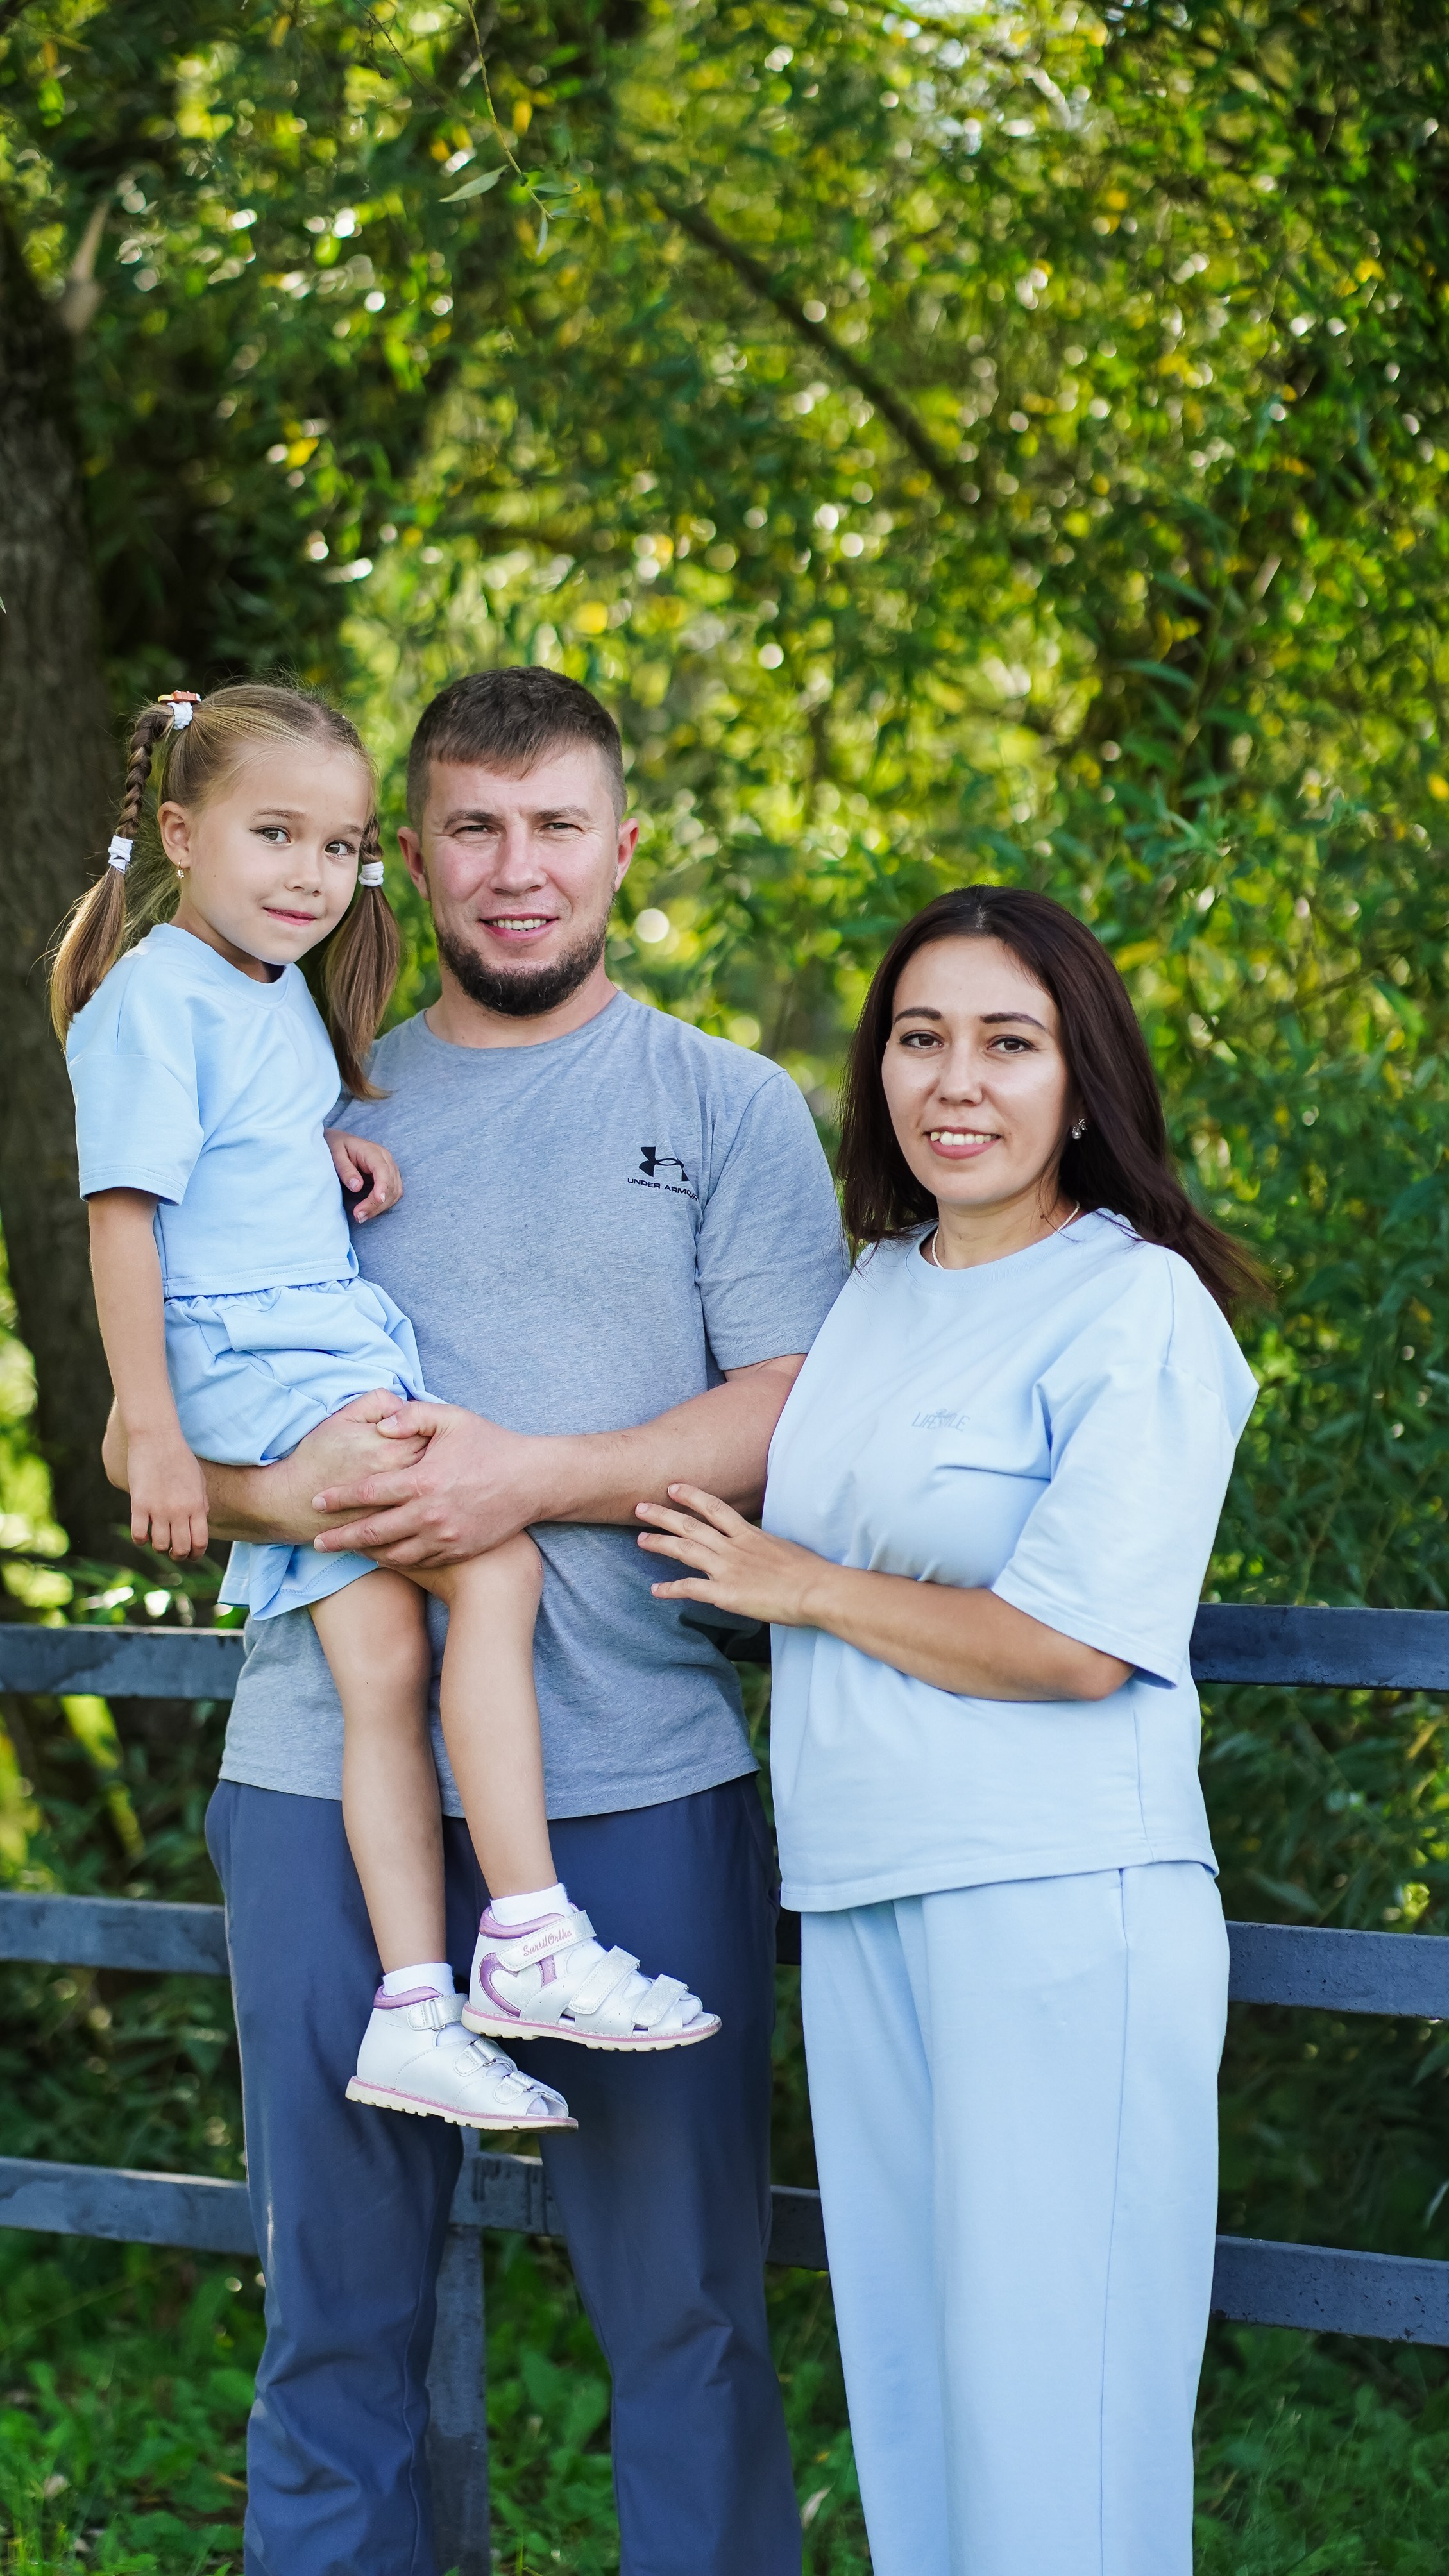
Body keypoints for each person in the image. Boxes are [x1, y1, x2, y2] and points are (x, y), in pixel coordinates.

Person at [101, 666, 845, 2576]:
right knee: (333, 2321)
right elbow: (165, 1413)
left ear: (619, 845)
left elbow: (782, 1415)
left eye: (556, 827)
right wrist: (307, 1495)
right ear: (402, 857)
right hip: (314, 1771)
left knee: (682, 2320)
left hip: (630, 1778)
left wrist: (524, 1479)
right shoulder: (297, 1073)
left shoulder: (726, 1103)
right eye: (471, 830)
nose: (516, 872)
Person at [636, 885, 1264, 2576]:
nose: (954, 1082)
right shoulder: (871, 1292)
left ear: (1082, 1080)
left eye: (1006, 1041)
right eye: (920, 1039)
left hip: (1060, 1906)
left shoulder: (1135, 1311)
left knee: (1058, 2405)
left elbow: (1071, 1649)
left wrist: (801, 1585)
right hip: (860, 1891)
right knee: (915, 2401)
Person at [55, 679, 713, 2139]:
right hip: (265, 1360)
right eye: (272, 834)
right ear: (179, 831)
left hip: (300, 1332)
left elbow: (236, 1159)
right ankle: (529, 1930)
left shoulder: (266, 993)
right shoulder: (154, 996)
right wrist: (154, 1426)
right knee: (495, 1562)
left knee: (381, 1679)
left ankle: (417, 2002)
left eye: (336, 847)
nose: (307, 873)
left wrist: (328, 1162)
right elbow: (122, 1222)